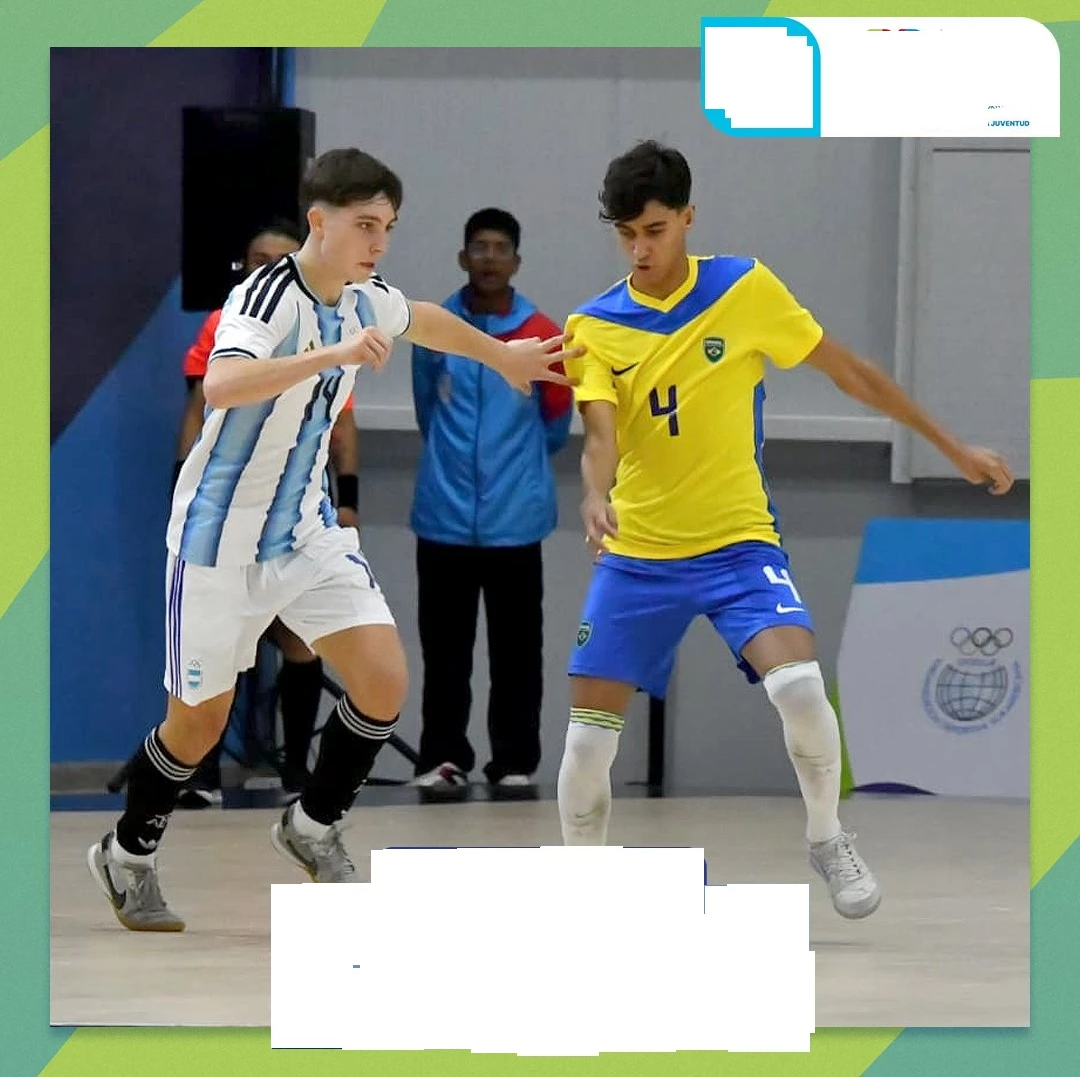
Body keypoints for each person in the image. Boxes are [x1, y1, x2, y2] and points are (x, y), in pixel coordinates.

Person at [87, 147, 577, 931]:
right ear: (320, 221)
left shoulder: (365, 298)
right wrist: (333, 355)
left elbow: (423, 317)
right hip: (218, 541)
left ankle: (312, 824)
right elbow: (222, 384)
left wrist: (501, 355)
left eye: (389, 227)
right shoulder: (266, 297)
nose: (380, 242)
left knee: (383, 681)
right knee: (197, 725)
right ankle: (128, 851)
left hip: (307, 534)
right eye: (366, 225)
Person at [557, 141, 1014, 920]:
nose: (640, 250)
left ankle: (828, 837)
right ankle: (581, 892)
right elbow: (600, 434)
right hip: (638, 556)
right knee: (588, 743)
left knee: (799, 687)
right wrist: (594, 495)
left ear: (689, 217)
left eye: (655, 230)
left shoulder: (745, 289)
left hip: (738, 546)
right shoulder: (593, 325)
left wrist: (953, 448)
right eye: (626, 234)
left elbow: (851, 372)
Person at [173, 220, 359, 804]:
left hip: (292, 514)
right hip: (227, 517)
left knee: (301, 640)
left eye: (280, 259)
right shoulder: (225, 322)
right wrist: (182, 488)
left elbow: (343, 423)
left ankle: (296, 772)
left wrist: (350, 499)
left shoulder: (332, 323)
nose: (269, 269)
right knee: (220, 646)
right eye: (258, 259)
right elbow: (199, 407)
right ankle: (201, 774)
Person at [409, 209, 573, 792]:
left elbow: (556, 424)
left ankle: (515, 762)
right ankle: (442, 757)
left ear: (517, 262)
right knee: (444, 652)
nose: (489, 258)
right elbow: (428, 410)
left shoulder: (544, 333)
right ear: (463, 257)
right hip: (444, 517)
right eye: (479, 247)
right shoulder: (433, 328)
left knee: (517, 652)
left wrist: (513, 475)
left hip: (515, 521)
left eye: (501, 248)